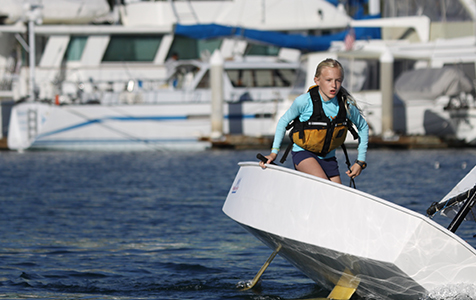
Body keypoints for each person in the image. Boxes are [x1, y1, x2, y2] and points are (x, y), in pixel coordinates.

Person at [259, 58, 369, 184]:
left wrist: (360, 161)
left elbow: (363, 127)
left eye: (338, 81)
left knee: (337, 197)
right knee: (324, 185)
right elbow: (283, 122)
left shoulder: (346, 105)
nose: (334, 85)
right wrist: (273, 153)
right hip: (303, 154)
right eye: (328, 80)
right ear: (317, 80)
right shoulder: (304, 101)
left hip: (328, 158)